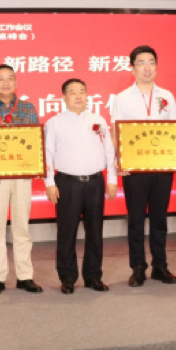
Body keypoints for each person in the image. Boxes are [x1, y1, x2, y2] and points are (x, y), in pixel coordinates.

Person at [111, 45, 176, 287]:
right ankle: (138, 267)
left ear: (157, 67)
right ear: (132, 68)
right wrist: (120, 160)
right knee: (136, 219)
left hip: (162, 166)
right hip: (135, 168)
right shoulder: (122, 98)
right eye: (141, 63)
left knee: (160, 218)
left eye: (151, 62)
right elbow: (116, 132)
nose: (147, 67)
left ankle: (160, 266)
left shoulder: (167, 96)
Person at [0, 64, 43, 296]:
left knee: (22, 228)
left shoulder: (27, 108)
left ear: (16, 82)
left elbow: (35, 142)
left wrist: (37, 164)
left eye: (10, 78)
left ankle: (25, 276)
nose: (5, 83)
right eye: (0, 79)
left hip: (21, 177)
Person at [44, 78, 118, 294]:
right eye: (73, 92)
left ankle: (93, 276)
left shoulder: (98, 120)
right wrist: (49, 182)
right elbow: (47, 154)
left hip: (95, 182)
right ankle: (67, 278)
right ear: (64, 97)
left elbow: (109, 151)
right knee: (66, 232)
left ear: (87, 96)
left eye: (82, 92)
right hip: (67, 183)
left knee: (95, 231)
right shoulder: (54, 123)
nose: (78, 96)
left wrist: (112, 179)